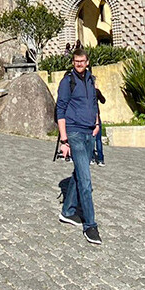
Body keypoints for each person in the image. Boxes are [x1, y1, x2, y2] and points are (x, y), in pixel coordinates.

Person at [56, 48, 102, 245]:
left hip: (89, 132)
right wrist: (64, 140)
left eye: (82, 61)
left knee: (78, 173)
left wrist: (97, 123)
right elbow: (60, 109)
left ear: (87, 61)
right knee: (86, 180)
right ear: (73, 62)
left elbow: (94, 103)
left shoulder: (91, 80)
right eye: (76, 61)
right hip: (74, 133)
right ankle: (90, 225)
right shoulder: (67, 81)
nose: (79, 64)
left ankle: (67, 211)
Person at [93, 88, 107, 167]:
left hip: (87, 116)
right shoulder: (96, 91)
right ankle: (100, 159)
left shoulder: (85, 91)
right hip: (96, 116)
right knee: (98, 139)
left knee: (90, 138)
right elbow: (103, 100)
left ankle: (91, 157)